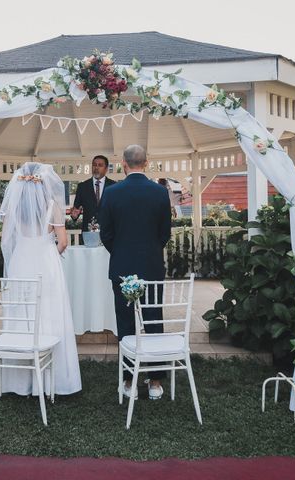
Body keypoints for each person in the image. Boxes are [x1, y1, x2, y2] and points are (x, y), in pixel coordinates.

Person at [0, 162, 82, 396]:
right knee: (49, 314)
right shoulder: (53, 206)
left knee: (21, 315)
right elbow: (63, 241)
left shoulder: (14, 206)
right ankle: (53, 380)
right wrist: (49, 254)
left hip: (20, 261)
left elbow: (7, 239)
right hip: (46, 262)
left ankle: (20, 382)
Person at [98, 145, 172, 400]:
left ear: (123, 164)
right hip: (151, 266)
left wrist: (120, 252)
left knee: (126, 324)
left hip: (122, 267)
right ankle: (154, 382)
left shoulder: (111, 192)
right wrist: (150, 252)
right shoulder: (160, 192)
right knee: (153, 321)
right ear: (146, 162)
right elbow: (165, 233)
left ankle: (128, 382)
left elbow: (105, 233)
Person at [70, 155, 116, 232]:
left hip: (109, 233)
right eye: (94, 165)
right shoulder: (82, 187)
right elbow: (76, 211)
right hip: (88, 233)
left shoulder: (114, 186)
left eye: (100, 165)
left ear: (106, 169)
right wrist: (74, 215)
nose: (96, 167)